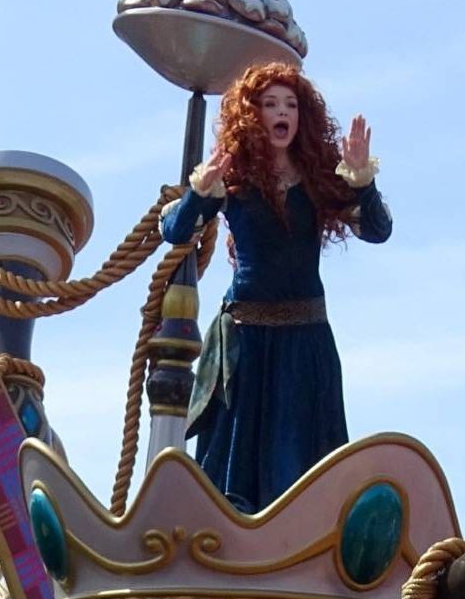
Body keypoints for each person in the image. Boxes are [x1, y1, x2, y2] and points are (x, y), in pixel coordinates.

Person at [158, 64, 390, 512]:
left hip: (304, 345)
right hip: (246, 344)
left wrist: (363, 181)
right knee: (233, 475)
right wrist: (198, 192)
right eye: (270, 105)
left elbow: (377, 231)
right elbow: (174, 230)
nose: (282, 112)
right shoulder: (234, 179)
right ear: (253, 116)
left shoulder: (321, 180)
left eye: (290, 105)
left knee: (302, 468)